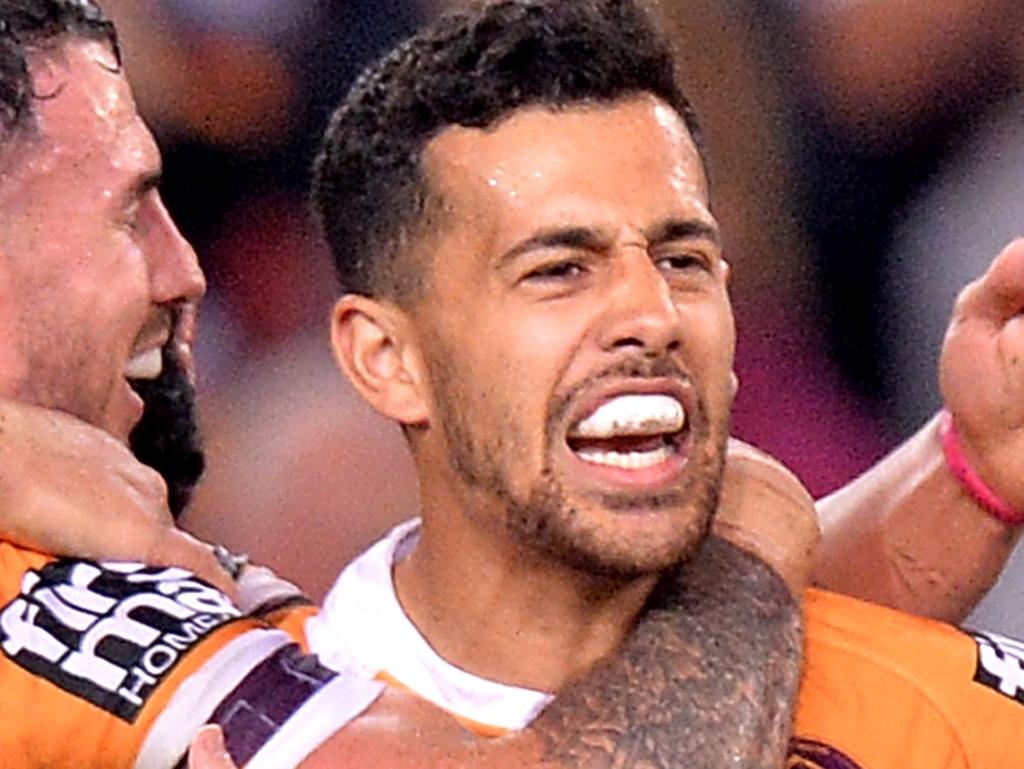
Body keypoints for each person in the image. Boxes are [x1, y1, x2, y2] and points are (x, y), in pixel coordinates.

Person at [2, 0, 1024, 767]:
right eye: (558, 270)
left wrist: (964, 474)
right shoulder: (70, 628)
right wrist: (745, 550)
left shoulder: (964, 711)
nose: (650, 318)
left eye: (682, 260)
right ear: (383, 356)